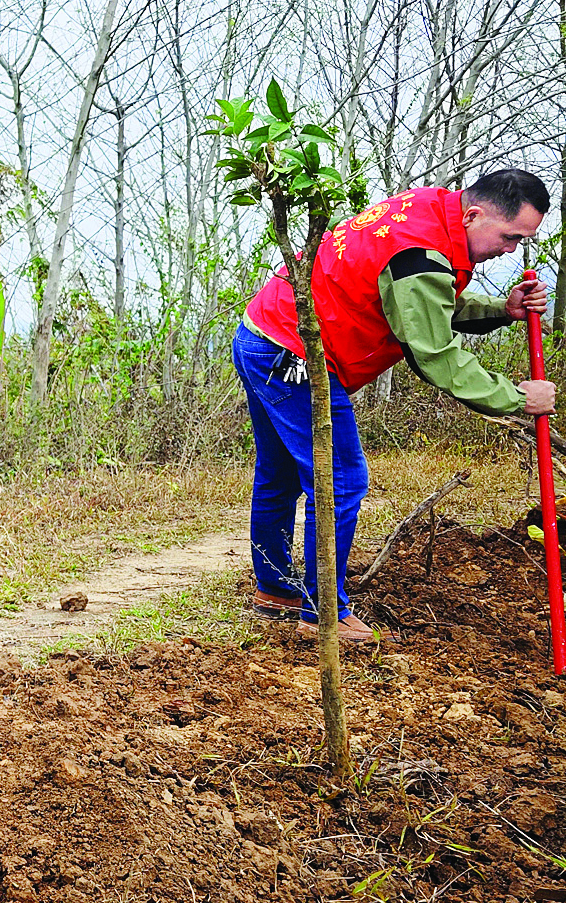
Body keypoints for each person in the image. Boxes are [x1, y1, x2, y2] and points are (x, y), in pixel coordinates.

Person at [237, 168, 554, 642]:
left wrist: (498, 310)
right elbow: (434, 353)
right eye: (510, 237)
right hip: (293, 354)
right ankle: (322, 614)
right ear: (473, 214)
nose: (510, 250)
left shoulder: (429, 207)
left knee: (280, 475)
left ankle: (277, 592)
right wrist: (517, 396)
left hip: (262, 331)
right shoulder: (420, 251)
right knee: (341, 480)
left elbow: (421, 300)